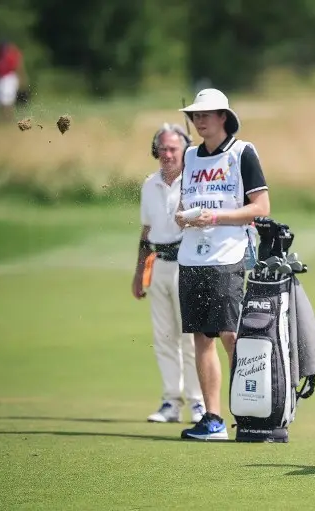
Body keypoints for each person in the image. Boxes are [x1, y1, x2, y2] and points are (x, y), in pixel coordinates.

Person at [175, 88, 270, 441]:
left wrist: (215, 218)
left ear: (223, 118)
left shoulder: (242, 152)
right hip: (191, 255)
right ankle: (213, 418)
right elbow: (184, 204)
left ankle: (249, 412)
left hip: (228, 254)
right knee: (202, 337)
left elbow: (261, 207)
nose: (199, 120)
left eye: (206, 114)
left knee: (231, 335)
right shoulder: (190, 155)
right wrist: (182, 217)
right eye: (195, 115)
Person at [132, 123, 205, 424]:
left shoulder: (194, 182)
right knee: (163, 337)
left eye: (173, 148)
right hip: (158, 263)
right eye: (162, 148)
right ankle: (170, 403)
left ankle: (198, 403)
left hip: (185, 264)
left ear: (185, 151)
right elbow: (146, 231)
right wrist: (139, 272)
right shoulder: (149, 184)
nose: (167, 154)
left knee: (190, 338)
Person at [0, 39, 27, 121]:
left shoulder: (10, 55)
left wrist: (21, 77)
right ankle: (3, 118)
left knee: (8, 99)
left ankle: (9, 118)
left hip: (8, 77)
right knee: (1, 100)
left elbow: (17, 67)